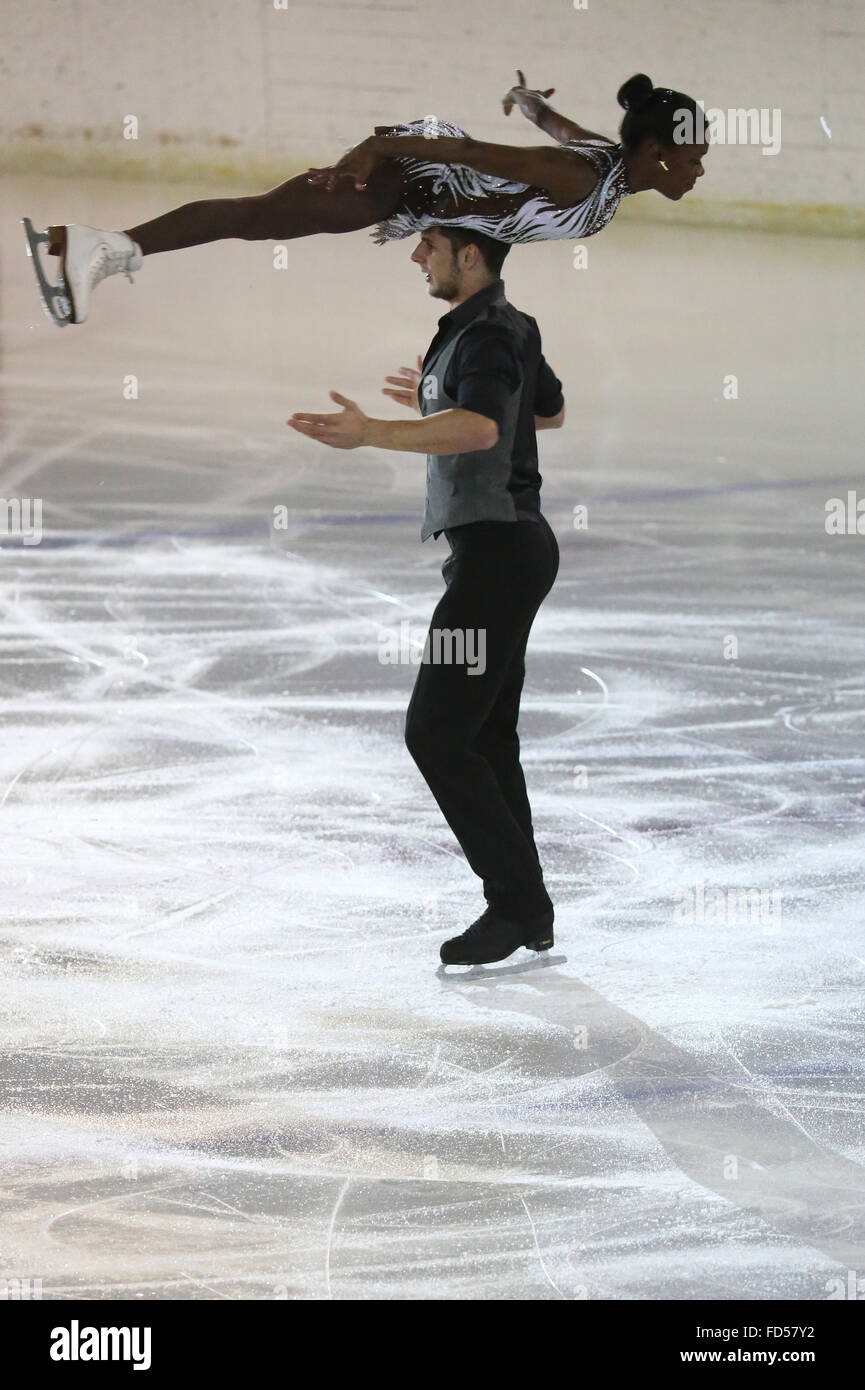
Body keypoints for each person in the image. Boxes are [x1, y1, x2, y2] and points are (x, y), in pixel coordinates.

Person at [288, 223, 564, 967]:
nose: (417, 257)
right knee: (483, 735)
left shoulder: (485, 334)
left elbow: (478, 430)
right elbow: (543, 409)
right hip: (501, 553)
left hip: (497, 559)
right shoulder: (500, 327)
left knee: (436, 733)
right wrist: (434, 397)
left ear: (468, 255)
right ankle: (526, 907)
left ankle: (515, 902)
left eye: (429, 247)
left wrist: (372, 430)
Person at [24, 72, 707, 326]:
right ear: (654, 152)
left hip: (413, 181)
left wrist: (525, 100)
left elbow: (558, 129)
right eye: (694, 157)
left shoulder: (606, 172)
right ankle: (106, 250)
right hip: (404, 174)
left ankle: (71, 240)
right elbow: (472, 155)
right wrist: (375, 151)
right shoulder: (584, 180)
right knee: (259, 219)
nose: (698, 172)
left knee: (262, 220)